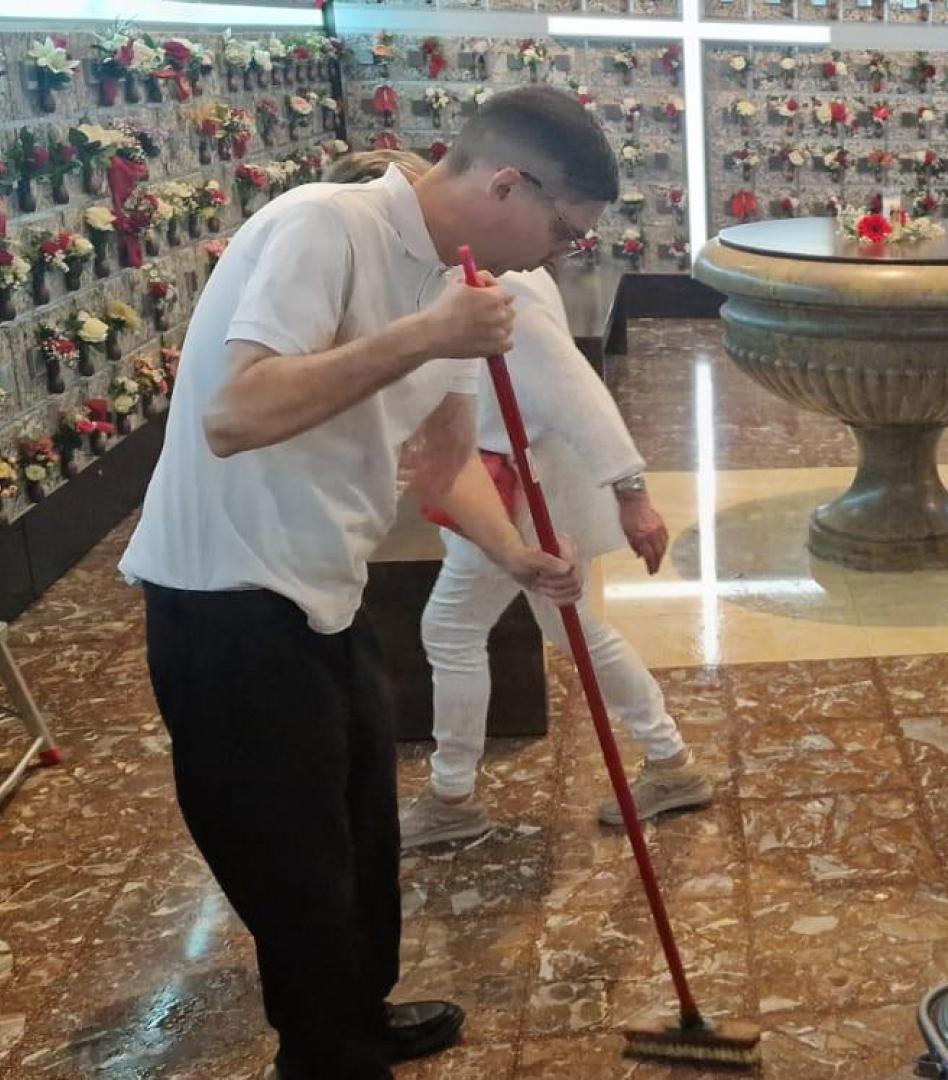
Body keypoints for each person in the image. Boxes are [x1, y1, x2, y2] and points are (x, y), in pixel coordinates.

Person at [118, 87, 617, 1079]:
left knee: (361, 842)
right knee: (295, 877)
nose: (562, 250)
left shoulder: (458, 278)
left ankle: (360, 1012)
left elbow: (445, 462)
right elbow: (236, 410)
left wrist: (513, 553)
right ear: (508, 183)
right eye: (563, 227)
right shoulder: (322, 226)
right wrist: (427, 335)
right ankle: (330, 1054)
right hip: (224, 607)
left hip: (319, 596)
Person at [322, 151, 713, 846]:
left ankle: (453, 798)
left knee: (460, 629)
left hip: (522, 488)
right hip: (502, 476)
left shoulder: (498, 283)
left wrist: (632, 492)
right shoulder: (449, 273)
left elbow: (574, 389)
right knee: (572, 629)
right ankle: (670, 761)